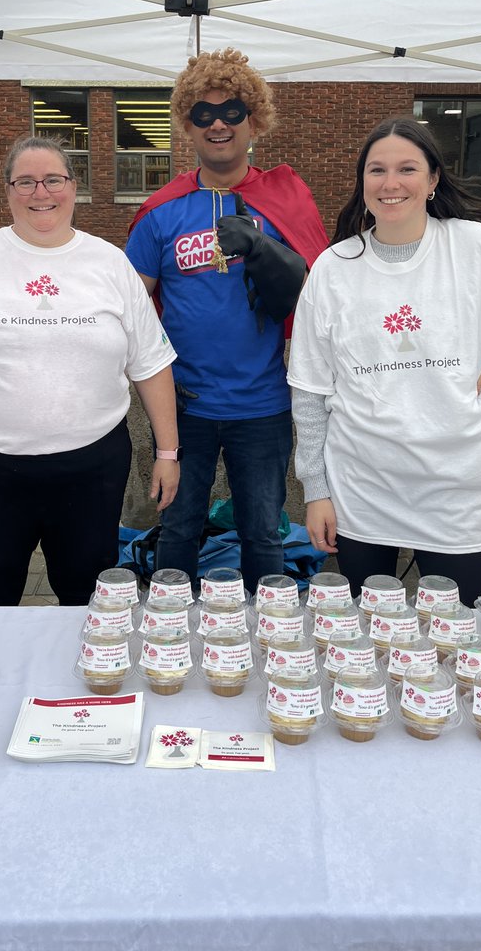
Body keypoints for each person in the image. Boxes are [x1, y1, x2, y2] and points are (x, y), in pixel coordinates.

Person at [287, 115, 481, 602]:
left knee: (458, 627)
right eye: (377, 170)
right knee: (361, 627)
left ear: (434, 178)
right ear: (362, 181)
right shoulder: (334, 268)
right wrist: (316, 490)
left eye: (407, 169)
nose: (391, 184)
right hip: (362, 488)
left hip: (459, 490)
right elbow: (311, 390)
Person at [0, 135, 179, 606]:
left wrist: (167, 452)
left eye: (53, 180)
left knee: (88, 596)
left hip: (91, 467)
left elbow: (152, 366)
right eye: (26, 182)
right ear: (8, 191)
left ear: (73, 186)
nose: (41, 193)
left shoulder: (110, 265)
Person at [125, 48, 328, 593]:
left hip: (263, 403)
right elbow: (130, 311)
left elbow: (320, 300)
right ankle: (170, 628)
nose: (218, 124)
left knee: (263, 533)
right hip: (183, 407)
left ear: (254, 120)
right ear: (187, 124)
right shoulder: (161, 210)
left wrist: (267, 251)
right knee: (177, 528)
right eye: (204, 113)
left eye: (232, 111)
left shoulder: (285, 198)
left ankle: (269, 631)